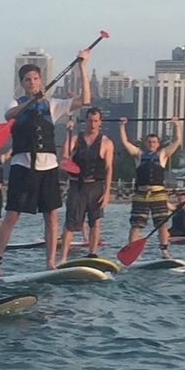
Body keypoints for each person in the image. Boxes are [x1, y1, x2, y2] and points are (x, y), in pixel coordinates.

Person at [0, 53, 80, 274]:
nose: (33, 83)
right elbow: (9, 115)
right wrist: (31, 101)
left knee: (52, 216)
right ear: (22, 84)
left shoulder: (52, 105)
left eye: (36, 79)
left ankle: (50, 263)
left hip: (48, 167)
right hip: (23, 165)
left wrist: (83, 67)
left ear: (41, 80)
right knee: (12, 215)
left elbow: (83, 101)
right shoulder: (15, 102)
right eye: (28, 80)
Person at [116, 121, 179, 260]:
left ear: (158, 144)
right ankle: (131, 251)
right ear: (146, 143)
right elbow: (124, 142)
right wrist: (122, 126)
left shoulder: (162, 154)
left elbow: (177, 141)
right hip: (141, 195)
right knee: (136, 225)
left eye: (154, 142)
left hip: (158, 195)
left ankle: (164, 251)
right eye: (149, 142)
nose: (151, 144)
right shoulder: (138, 155)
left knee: (162, 224)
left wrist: (176, 125)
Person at [61, 108, 114, 264]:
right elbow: (64, 156)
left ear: (100, 122)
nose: (93, 124)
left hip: (96, 186)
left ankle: (92, 254)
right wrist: (67, 132)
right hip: (77, 186)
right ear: (85, 121)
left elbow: (109, 168)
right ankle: (63, 258)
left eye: (96, 121)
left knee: (95, 221)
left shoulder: (106, 142)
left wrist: (107, 192)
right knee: (70, 223)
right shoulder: (76, 139)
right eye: (90, 120)